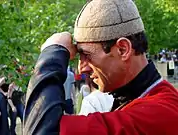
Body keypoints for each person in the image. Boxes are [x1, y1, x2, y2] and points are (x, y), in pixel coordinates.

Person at [23, 0, 178, 135]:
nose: (81, 68)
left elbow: (42, 130)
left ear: (123, 49)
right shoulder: (148, 100)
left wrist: (52, 54)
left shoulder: (157, 114)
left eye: (86, 55)